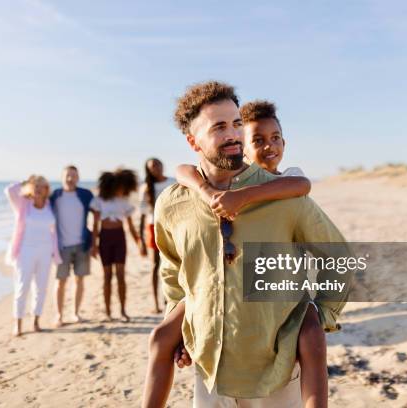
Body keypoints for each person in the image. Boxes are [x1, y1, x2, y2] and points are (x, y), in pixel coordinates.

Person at [151, 81, 353, 407]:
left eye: (236, 124)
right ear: (193, 141)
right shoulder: (173, 204)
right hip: (210, 372)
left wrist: (319, 315)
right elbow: (173, 270)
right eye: (219, 127)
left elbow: (338, 257)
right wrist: (180, 327)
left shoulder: (286, 197)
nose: (233, 135)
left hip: (277, 372)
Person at [4, 175, 62, 337]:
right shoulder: (23, 204)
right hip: (25, 251)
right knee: (22, 287)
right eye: (35, 186)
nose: (37, 189)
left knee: (41, 288)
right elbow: (9, 190)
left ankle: (36, 321)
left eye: (41, 186)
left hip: (45, 251)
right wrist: (25, 181)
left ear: (46, 190)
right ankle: (18, 324)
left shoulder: (50, 206)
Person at [91, 169, 143, 322]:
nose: (122, 189)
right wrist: (94, 245)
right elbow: (95, 224)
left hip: (119, 238)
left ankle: (123, 311)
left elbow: (130, 225)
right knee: (107, 276)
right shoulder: (99, 200)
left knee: (121, 276)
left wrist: (138, 242)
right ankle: (107, 312)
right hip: (105, 238)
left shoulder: (124, 201)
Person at [49, 165, 95, 327]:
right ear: (62, 177)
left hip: (82, 245)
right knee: (60, 281)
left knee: (79, 280)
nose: (70, 178)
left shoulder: (85, 195)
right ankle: (59, 315)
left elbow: (98, 210)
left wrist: (94, 240)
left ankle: (75, 313)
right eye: (67, 175)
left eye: (73, 175)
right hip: (61, 247)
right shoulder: (55, 195)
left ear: (78, 177)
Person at [138, 158, 176, 314]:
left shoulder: (173, 182)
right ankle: (156, 302)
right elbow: (142, 214)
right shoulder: (146, 188)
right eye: (153, 166)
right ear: (149, 170)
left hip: (174, 225)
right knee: (156, 265)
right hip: (153, 227)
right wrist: (140, 239)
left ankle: (171, 299)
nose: (157, 168)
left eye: (158, 164)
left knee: (175, 263)